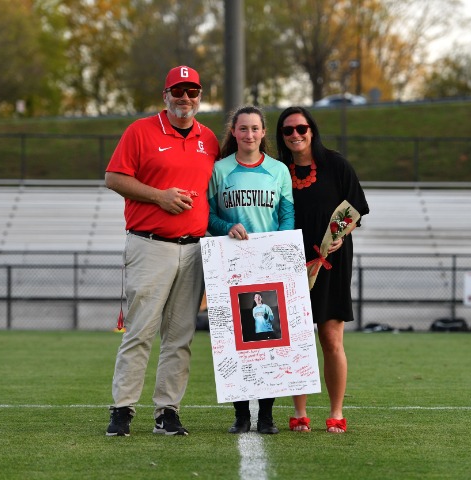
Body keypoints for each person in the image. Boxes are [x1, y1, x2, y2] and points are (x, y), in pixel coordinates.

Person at [104, 66, 220, 436]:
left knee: (180, 336)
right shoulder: (140, 131)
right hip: (150, 244)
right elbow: (113, 178)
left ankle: (167, 412)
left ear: (200, 96)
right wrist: (159, 196)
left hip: (194, 248)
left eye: (192, 91)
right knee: (140, 331)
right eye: (178, 91)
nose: (185, 98)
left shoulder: (209, 138)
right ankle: (122, 409)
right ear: (165, 95)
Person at [275, 106, 369, 434]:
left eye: (301, 128)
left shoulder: (336, 164)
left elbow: (356, 208)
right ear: (281, 136)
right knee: (297, 340)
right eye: (288, 130)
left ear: (312, 130)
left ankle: (336, 412)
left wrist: (340, 235)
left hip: (331, 260)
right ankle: (299, 413)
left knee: (330, 338)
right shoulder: (277, 170)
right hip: (289, 262)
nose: (295, 135)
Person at [207, 105, 294, 434]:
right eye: (243, 128)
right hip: (231, 263)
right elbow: (207, 216)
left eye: (255, 128)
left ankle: (267, 415)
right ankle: (241, 415)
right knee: (234, 340)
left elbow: (287, 214)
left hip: (268, 263)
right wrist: (226, 227)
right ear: (234, 132)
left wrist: (280, 245)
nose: (249, 134)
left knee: (269, 340)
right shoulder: (220, 170)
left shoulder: (278, 170)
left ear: (263, 132)